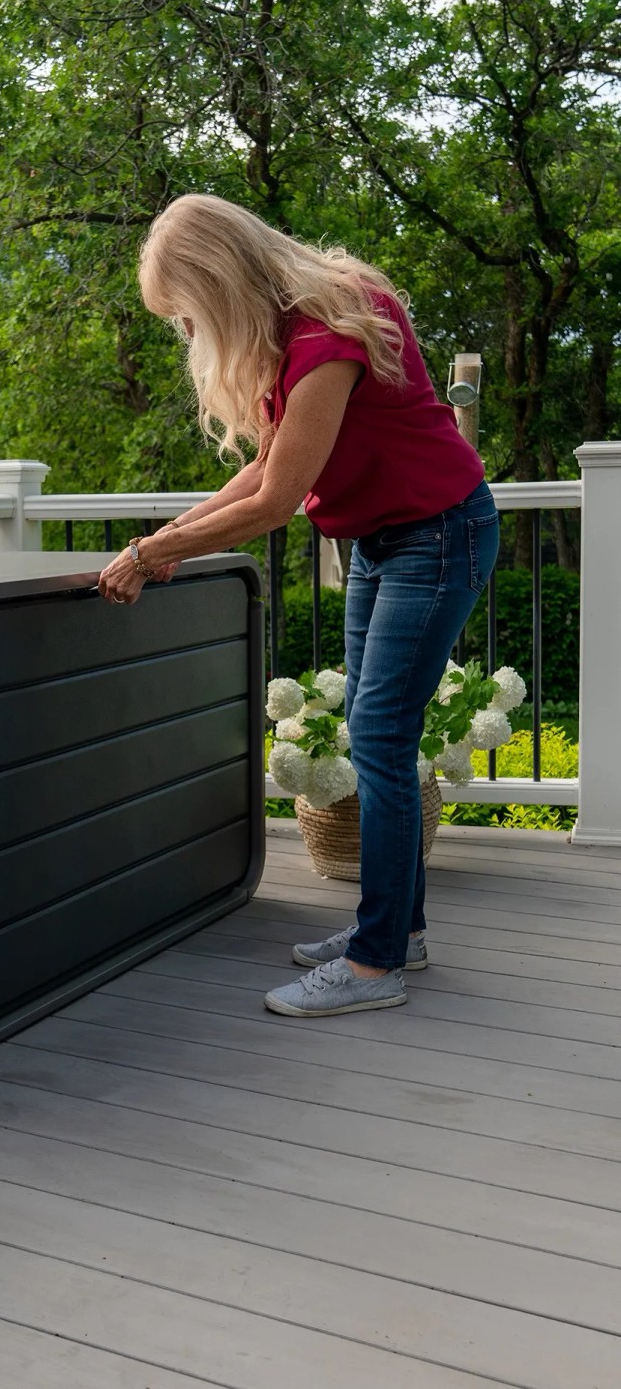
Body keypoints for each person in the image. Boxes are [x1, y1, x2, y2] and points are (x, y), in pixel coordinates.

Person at [99, 193, 497, 1017]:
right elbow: (262, 470)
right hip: (388, 541)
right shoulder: (299, 329)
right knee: (375, 732)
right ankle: (400, 932)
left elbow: (278, 499)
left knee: (383, 741)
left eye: (188, 315)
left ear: (218, 284)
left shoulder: (326, 338)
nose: (191, 335)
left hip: (438, 535)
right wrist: (169, 536)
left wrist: (152, 554)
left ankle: (374, 965)